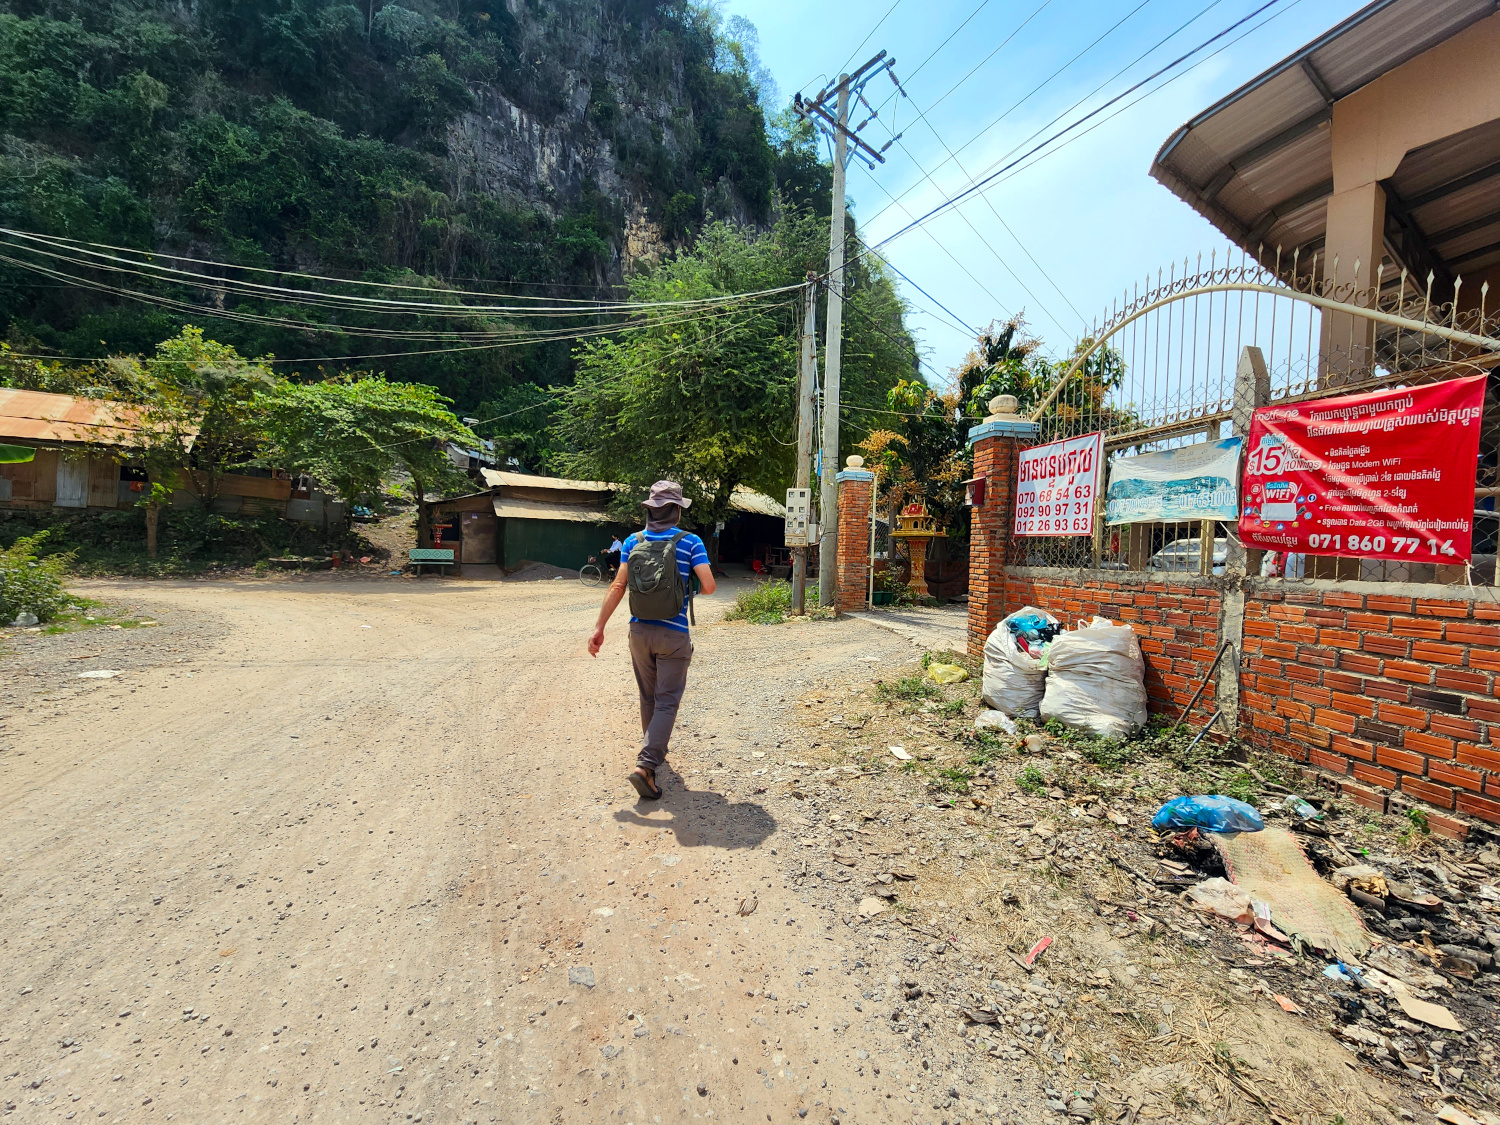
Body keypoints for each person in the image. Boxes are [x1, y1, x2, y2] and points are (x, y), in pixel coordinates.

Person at [587, 480, 715, 800]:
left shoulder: (633, 540)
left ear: (649, 511)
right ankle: (646, 765)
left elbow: (617, 587)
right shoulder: (691, 542)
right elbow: (710, 586)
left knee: (649, 697)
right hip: (674, 634)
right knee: (668, 700)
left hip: (639, 633)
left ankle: (652, 751)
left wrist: (599, 628)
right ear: (676, 511)